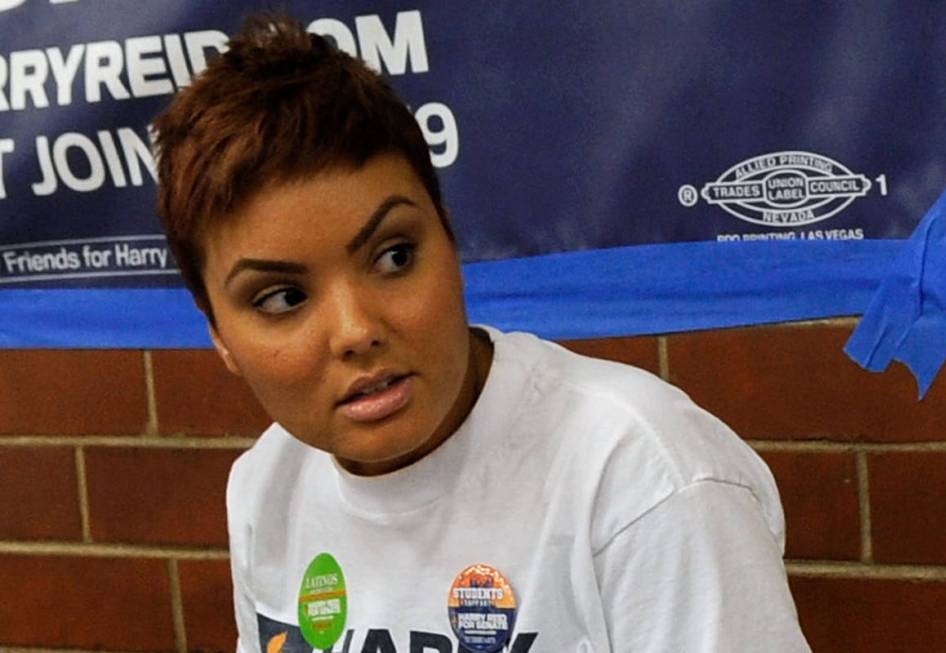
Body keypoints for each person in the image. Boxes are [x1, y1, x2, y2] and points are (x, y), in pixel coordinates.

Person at [154, 14, 811, 653]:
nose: (356, 330)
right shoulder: (265, 487)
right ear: (218, 336)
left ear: (447, 233)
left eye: (393, 256)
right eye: (284, 297)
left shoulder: (641, 476)